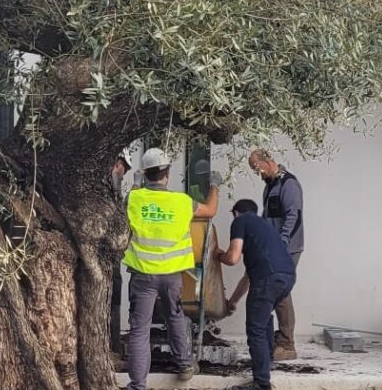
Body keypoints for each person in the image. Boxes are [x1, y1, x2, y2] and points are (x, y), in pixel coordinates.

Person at [124, 147, 219, 390]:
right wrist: (214, 186)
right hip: (172, 277)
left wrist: (135, 183)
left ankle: (137, 385)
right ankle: (185, 365)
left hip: (143, 275)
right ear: (167, 173)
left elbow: (131, 196)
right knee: (175, 317)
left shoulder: (134, 198)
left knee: (139, 330)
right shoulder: (182, 202)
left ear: (145, 174)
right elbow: (210, 210)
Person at [225, 149, 304, 360]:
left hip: (287, 247)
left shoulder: (289, 184)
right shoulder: (269, 187)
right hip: (272, 247)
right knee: (264, 284)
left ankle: (287, 344)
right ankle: (274, 339)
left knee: (280, 292)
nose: (256, 172)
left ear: (268, 161)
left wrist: (282, 242)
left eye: (257, 167)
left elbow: (294, 216)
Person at [217, 199, 296, 390]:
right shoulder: (265, 228)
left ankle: (261, 382)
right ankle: (266, 362)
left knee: (256, 329)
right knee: (264, 318)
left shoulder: (240, 221)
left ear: (235, 213)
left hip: (268, 278)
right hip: (288, 277)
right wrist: (232, 302)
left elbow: (233, 258)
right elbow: (248, 277)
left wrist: (218, 255)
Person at [108, 155, 132, 358]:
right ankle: (112, 348)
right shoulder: (107, 191)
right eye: (123, 171)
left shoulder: (114, 193)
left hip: (112, 260)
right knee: (112, 301)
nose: (123, 177)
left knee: (113, 300)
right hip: (108, 260)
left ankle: (114, 347)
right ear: (118, 164)